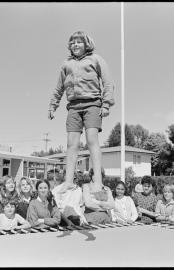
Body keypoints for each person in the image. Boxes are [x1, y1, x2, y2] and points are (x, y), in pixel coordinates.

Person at [48, 30, 114, 192]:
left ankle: (97, 180)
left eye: (79, 42)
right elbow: (59, 87)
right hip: (73, 106)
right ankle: (69, 181)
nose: (75, 45)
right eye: (72, 42)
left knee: (92, 140)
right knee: (72, 144)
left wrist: (106, 104)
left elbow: (108, 83)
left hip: (92, 104)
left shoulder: (96, 59)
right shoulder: (66, 64)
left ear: (86, 44)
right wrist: (53, 105)